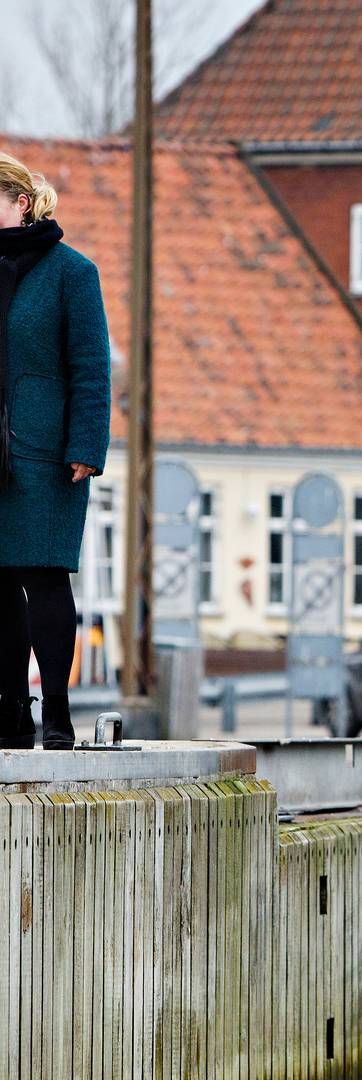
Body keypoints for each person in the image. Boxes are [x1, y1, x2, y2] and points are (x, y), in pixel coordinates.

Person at [0, 152, 111, 749]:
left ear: (20, 202)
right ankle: (11, 711)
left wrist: (86, 446)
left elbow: (91, 368)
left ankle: (58, 717)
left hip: (46, 455)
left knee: (42, 579)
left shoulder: (72, 273)